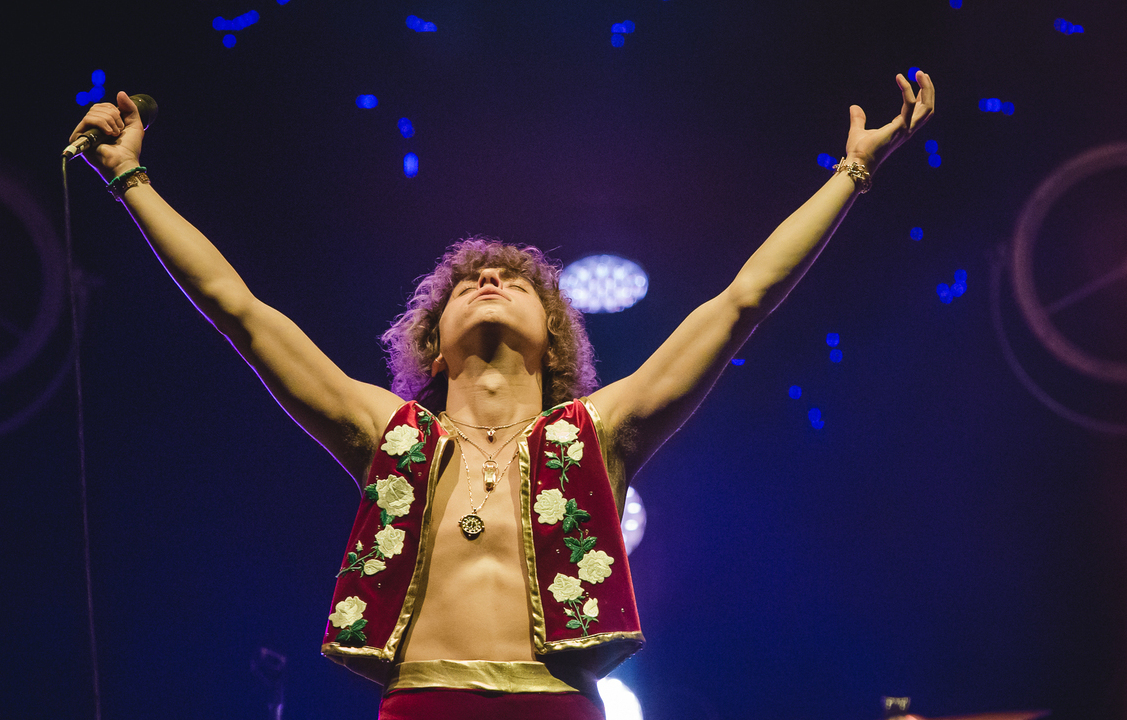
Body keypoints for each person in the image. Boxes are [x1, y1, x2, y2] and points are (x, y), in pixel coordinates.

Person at [70, 71, 934, 720]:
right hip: (422, 703)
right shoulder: (385, 429)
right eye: (468, 281)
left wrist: (850, 174)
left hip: (556, 702)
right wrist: (129, 181)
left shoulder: (604, 428)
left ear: (555, 331)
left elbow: (743, 300)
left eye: (514, 280)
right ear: (430, 335)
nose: (488, 278)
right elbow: (239, 311)